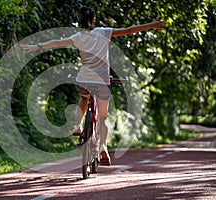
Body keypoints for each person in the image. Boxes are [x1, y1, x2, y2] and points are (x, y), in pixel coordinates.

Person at [21, 6, 166, 166]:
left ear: (79, 21)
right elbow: (129, 30)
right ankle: (103, 146)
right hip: (103, 82)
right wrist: (151, 25)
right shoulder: (103, 32)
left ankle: (77, 125)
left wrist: (38, 46)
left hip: (84, 80)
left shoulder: (77, 37)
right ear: (94, 20)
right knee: (103, 117)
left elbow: (57, 43)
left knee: (84, 97)